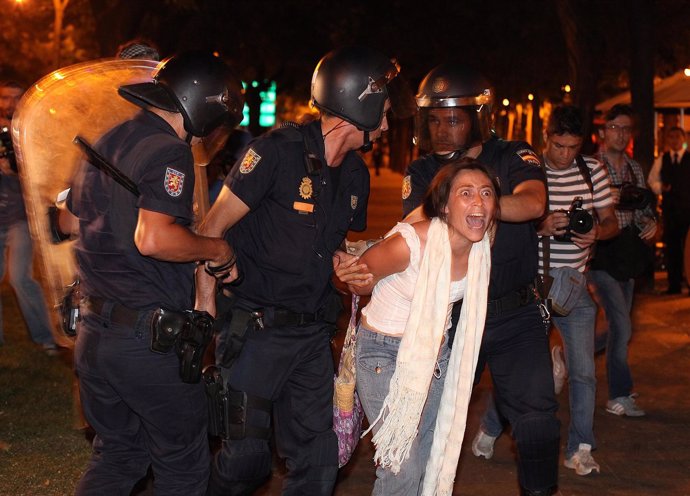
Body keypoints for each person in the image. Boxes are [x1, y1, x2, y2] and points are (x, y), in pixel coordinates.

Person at [195, 46, 400, 495]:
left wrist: (345, 261)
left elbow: (326, 242)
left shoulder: (356, 176)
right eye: (382, 113)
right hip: (255, 330)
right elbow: (212, 228)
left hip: (311, 336)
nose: (386, 125)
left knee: (319, 460)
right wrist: (205, 308)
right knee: (246, 461)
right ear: (357, 107)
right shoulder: (275, 152)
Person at [60, 52, 245, 495]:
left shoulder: (110, 139)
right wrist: (215, 246)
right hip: (145, 342)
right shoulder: (168, 149)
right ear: (206, 105)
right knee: (182, 465)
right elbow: (155, 239)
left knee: (119, 455)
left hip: (95, 334)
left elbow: (67, 220)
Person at [402, 63, 560, 496]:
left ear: (478, 117)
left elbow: (533, 203)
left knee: (538, 424)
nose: (441, 129)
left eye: (452, 119)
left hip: (514, 314)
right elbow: (415, 230)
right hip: (449, 316)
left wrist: (475, 207)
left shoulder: (511, 155)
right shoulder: (421, 171)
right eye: (433, 119)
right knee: (426, 425)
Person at [336, 160, 497, 495]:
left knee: (427, 460)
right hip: (382, 354)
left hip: (435, 360)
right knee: (401, 467)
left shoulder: (482, 244)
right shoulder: (410, 244)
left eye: (486, 193)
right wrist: (349, 272)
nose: (479, 202)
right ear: (443, 205)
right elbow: (359, 282)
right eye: (466, 193)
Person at [476, 106, 620, 476]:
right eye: (558, 146)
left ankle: (580, 448)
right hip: (531, 290)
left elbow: (610, 221)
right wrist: (539, 226)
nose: (565, 155)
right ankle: (491, 428)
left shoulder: (594, 172)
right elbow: (503, 224)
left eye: (573, 147)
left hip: (574, 286)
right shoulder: (524, 167)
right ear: (546, 137)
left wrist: (597, 233)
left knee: (584, 372)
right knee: (518, 373)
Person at [588, 104, 657, 417]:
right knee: (622, 323)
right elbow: (576, 209)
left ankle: (570, 354)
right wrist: (602, 203)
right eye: (615, 128)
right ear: (603, 131)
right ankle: (619, 393)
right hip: (599, 255)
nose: (620, 134)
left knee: (619, 327)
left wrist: (652, 223)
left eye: (626, 129)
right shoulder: (590, 166)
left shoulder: (634, 168)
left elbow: (643, 211)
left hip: (627, 255)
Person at [0, 80, 59, 355]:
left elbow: (49, 172)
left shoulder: (33, 129)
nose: (10, 104)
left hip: (21, 217)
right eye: (5, 98)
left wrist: (18, 172)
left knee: (20, 277)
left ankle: (47, 337)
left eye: (15, 97)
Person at [648, 126, 690, 295]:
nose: (674, 140)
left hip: (688, 211)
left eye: (677, 137)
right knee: (672, 248)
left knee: (688, 249)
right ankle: (674, 285)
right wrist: (661, 188)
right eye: (671, 137)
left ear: (683, 139)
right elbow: (652, 180)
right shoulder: (662, 159)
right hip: (671, 211)